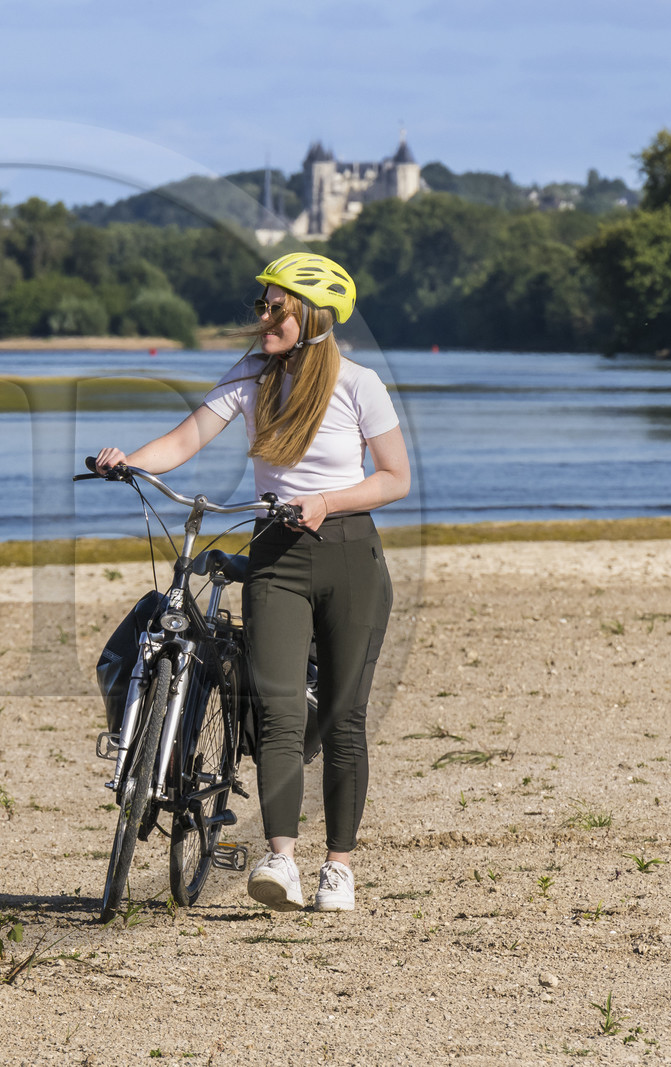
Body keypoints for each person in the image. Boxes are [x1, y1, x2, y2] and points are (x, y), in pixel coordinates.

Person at [95, 252, 409, 913]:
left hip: (349, 555)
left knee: (345, 719)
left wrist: (328, 502)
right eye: (261, 304)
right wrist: (127, 459)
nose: (261, 316)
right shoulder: (250, 376)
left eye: (275, 308)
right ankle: (281, 860)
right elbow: (185, 441)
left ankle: (339, 868)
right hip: (275, 556)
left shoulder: (359, 384)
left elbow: (394, 478)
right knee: (278, 709)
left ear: (311, 317)